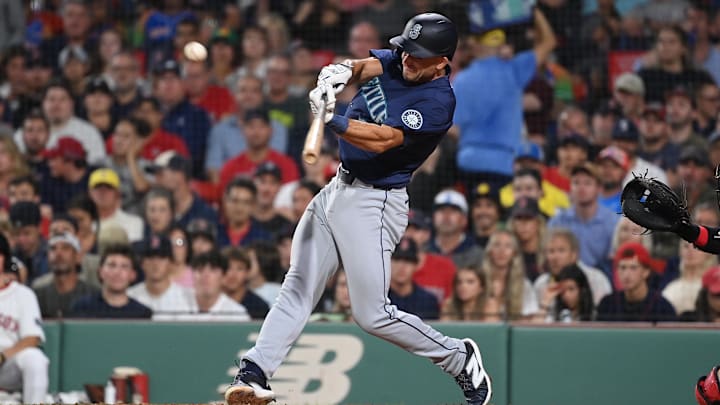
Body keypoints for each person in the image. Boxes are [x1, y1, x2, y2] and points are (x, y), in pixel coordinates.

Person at [225, 14, 491, 405]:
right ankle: (254, 373)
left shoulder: (437, 102)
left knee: (372, 315)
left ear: (443, 62)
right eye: (406, 51)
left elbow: (384, 139)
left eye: (418, 57)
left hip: (375, 202)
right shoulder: (402, 58)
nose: (406, 60)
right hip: (338, 187)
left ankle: (458, 357)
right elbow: (368, 65)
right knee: (298, 285)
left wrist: (333, 118)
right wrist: (339, 71)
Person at [452, 9, 556, 193]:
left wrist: (474, 140)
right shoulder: (513, 69)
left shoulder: (460, 80)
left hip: (468, 160)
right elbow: (549, 42)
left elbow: (448, 126)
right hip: (504, 162)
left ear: (474, 46)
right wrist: (533, 9)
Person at [0, 233, 49, 404]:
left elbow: (32, 338)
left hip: (7, 364)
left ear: (4, 259)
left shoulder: (22, 294)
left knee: (35, 358)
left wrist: (3, 356)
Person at [596, 242, 677, 322]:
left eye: (633, 268)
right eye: (622, 268)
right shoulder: (607, 305)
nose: (626, 274)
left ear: (646, 272)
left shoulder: (662, 307)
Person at [71, 244, 152, 319]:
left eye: (124, 266)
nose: (117, 272)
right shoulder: (83, 308)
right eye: (112, 265)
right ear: (100, 272)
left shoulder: (142, 314)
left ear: (133, 275)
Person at [32, 232, 96, 318]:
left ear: (77, 256)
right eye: (53, 249)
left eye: (65, 248)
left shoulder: (92, 294)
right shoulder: (37, 296)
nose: (58, 253)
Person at [127, 236, 194, 314]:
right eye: (150, 257)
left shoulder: (187, 298)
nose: (155, 263)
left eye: (161, 257)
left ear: (170, 263)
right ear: (142, 263)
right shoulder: (129, 297)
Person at [388, 237, 440, 320]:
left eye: (408, 261)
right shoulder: (378, 298)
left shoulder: (428, 300)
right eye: (397, 260)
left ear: (416, 265)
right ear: (388, 262)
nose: (402, 267)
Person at [87, 168, 144, 242]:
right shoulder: (83, 224)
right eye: (98, 187)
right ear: (89, 193)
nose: (102, 192)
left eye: (108, 187)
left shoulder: (133, 222)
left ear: (117, 193)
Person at [222, 247, 271, 320]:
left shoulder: (259, 306)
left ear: (247, 272)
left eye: (239, 269)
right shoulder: (210, 301)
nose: (233, 275)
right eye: (228, 268)